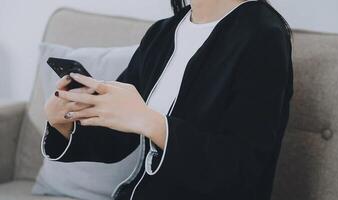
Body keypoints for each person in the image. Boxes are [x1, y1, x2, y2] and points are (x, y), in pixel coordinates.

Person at [42, 0, 293, 199]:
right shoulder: (163, 33)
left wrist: (152, 123)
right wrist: (63, 122)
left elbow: (243, 170)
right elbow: (116, 140)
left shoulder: (262, 35)